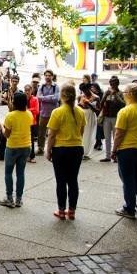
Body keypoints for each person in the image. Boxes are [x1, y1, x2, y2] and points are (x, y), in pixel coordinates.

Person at [45, 83, 86, 220]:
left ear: (62, 96)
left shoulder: (57, 112)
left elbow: (51, 135)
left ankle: (61, 210)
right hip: (76, 148)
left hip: (61, 149)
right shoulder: (80, 111)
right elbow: (81, 131)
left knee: (61, 181)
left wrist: (48, 150)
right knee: (73, 180)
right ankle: (72, 211)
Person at [112, 83, 137, 219]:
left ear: (129, 94)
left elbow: (119, 134)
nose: (123, 94)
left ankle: (129, 208)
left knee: (128, 180)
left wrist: (114, 149)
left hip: (128, 149)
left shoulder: (125, 111)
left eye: (124, 92)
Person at [0, 92, 33, 208]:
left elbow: (6, 135)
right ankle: (18, 199)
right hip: (26, 146)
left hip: (12, 147)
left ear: (14, 102)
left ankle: (9, 198)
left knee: (8, 172)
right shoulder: (29, 114)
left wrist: (1, 126)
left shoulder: (10, 116)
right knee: (20, 173)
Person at [99, 76, 125, 162]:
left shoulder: (120, 93)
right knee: (107, 138)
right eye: (111, 83)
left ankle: (116, 156)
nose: (112, 85)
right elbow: (100, 105)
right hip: (107, 117)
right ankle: (107, 156)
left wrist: (116, 95)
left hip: (116, 117)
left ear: (117, 84)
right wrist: (105, 95)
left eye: (114, 83)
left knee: (116, 137)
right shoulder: (107, 92)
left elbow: (123, 105)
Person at [37, 69, 60, 155]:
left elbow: (56, 99)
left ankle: (54, 148)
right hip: (43, 113)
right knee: (41, 132)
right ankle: (40, 148)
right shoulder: (41, 86)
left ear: (52, 76)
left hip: (54, 113)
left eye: (49, 75)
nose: (47, 77)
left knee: (54, 132)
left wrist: (44, 98)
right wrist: (50, 97)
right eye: (46, 75)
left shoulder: (56, 87)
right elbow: (38, 97)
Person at [78, 82, 100, 160]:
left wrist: (89, 104)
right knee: (82, 134)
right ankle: (80, 151)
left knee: (89, 134)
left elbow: (98, 110)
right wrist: (80, 104)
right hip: (82, 115)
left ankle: (86, 153)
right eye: (83, 90)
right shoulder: (80, 96)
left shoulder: (96, 97)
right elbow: (78, 107)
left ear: (89, 89)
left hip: (91, 116)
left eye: (85, 90)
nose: (84, 92)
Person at [25, 84, 40, 162]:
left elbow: (37, 111)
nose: (27, 92)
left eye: (28, 90)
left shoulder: (35, 99)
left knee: (31, 139)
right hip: (24, 121)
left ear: (31, 91)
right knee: (25, 139)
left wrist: (27, 110)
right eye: (26, 90)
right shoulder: (23, 98)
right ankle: (26, 155)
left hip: (32, 121)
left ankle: (32, 156)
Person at [90, 73, 104, 150]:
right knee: (94, 129)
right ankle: (97, 142)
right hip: (92, 113)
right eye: (91, 87)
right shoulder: (91, 94)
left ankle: (99, 143)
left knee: (98, 129)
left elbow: (101, 104)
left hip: (99, 113)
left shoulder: (100, 94)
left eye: (93, 87)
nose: (92, 89)